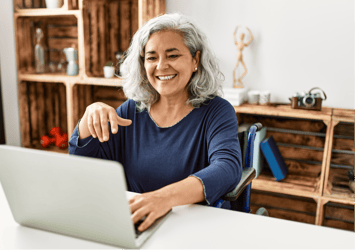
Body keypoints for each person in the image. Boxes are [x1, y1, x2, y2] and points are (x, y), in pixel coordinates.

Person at [69, 13, 242, 232]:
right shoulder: (132, 110)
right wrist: (88, 116)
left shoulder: (217, 111)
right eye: (151, 57)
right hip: (138, 226)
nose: (161, 66)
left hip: (193, 228)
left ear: (195, 60)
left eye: (172, 55)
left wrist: (163, 198)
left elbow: (227, 168)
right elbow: (83, 168)